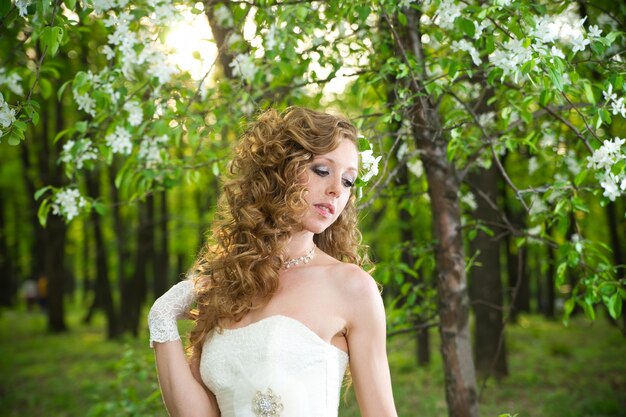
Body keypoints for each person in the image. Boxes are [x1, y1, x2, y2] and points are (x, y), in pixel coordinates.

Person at [148, 106, 398, 417]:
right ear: (279, 171)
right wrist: (162, 316)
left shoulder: (352, 287)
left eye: (348, 181)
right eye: (322, 170)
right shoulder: (228, 286)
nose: (336, 190)